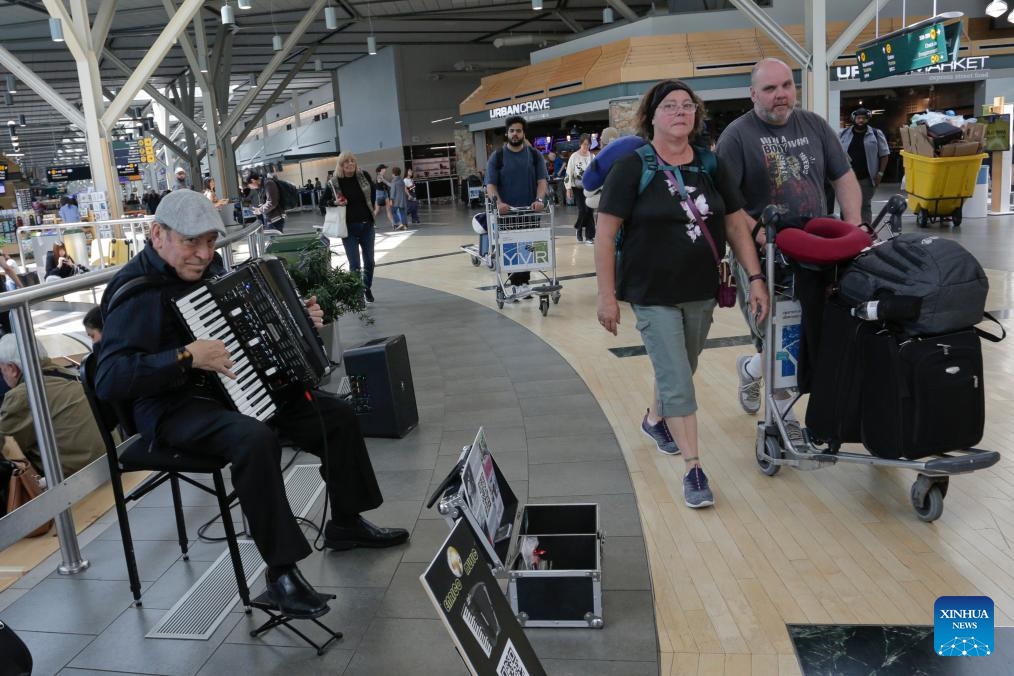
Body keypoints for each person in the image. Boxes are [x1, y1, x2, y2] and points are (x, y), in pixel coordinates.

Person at [94, 190, 407, 619]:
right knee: (254, 440)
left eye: (210, 242)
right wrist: (186, 356)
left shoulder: (208, 270)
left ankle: (345, 524)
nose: (204, 254)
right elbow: (109, 378)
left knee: (334, 414)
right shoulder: (135, 293)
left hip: (234, 388)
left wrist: (299, 318)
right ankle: (281, 574)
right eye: (191, 242)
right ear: (157, 235)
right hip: (171, 408)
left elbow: (249, 326)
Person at [594, 79, 769, 509]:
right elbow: (605, 234)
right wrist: (606, 296)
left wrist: (756, 277)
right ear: (651, 116)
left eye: (686, 106)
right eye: (669, 106)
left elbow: (733, 223)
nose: (679, 112)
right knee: (677, 376)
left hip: (701, 291)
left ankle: (655, 419)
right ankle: (693, 468)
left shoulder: (710, 164)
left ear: (696, 115)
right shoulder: (633, 167)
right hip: (650, 293)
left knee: (683, 366)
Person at [716, 57, 861, 441]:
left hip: (818, 249)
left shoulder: (814, 124)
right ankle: (783, 419)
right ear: (752, 94)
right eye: (769, 89)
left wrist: (854, 225)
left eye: (786, 86)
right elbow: (727, 203)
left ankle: (750, 370)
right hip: (765, 254)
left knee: (812, 333)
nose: (780, 95)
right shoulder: (737, 136)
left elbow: (843, 177)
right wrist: (759, 231)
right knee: (781, 335)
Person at [0, 334, 105, 478]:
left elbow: (5, 443)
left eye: (2, 369)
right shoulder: (69, 374)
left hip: (76, 481)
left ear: (12, 368)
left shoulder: (23, 395)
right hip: (106, 465)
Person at [484, 115, 548, 297]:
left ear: (523, 133)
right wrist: (499, 202)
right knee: (512, 248)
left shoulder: (535, 155)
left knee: (527, 248)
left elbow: (542, 181)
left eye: (518, 131)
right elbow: (491, 185)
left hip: (529, 212)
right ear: (507, 133)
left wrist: (540, 200)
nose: (515, 134)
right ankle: (516, 283)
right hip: (507, 213)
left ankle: (523, 284)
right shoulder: (497, 157)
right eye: (511, 131)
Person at [321, 151, 377, 303]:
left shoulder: (363, 175)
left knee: (370, 261)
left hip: (367, 226)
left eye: (352, 161)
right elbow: (322, 203)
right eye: (346, 162)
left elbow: (372, 192)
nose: (350, 164)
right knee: (355, 264)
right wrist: (335, 203)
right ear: (341, 165)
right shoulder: (335, 182)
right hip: (348, 229)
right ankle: (357, 293)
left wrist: (372, 209)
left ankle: (367, 287)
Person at [838, 107, 890, 226]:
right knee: (846, 204)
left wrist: (880, 174)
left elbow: (884, 154)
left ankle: (865, 233)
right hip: (847, 178)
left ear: (868, 119)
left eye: (863, 118)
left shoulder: (876, 134)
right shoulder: (843, 134)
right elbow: (836, 152)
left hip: (866, 178)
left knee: (864, 205)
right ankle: (846, 231)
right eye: (858, 118)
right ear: (854, 119)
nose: (861, 121)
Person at [565, 133, 595, 244]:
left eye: (588, 145)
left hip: (590, 188)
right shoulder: (574, 156)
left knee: (590, 211)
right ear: (580, 144)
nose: (586, 147)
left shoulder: (592, 156)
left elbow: (596, 172)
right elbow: (569, 173)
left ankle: (589, 236)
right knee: (583, 209)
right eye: (584, 144)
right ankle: (579, 228)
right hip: (577, 187)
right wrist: (568, 189)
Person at [389, 167, 408, 231]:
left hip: (396, 200)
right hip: (402, 199)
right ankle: (404, 225)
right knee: (402, 212)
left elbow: (392, 190)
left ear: (393, 173)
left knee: (393, 211)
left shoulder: (394, 180)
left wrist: (391, 199)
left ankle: (399, 223)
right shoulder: (401, 180)